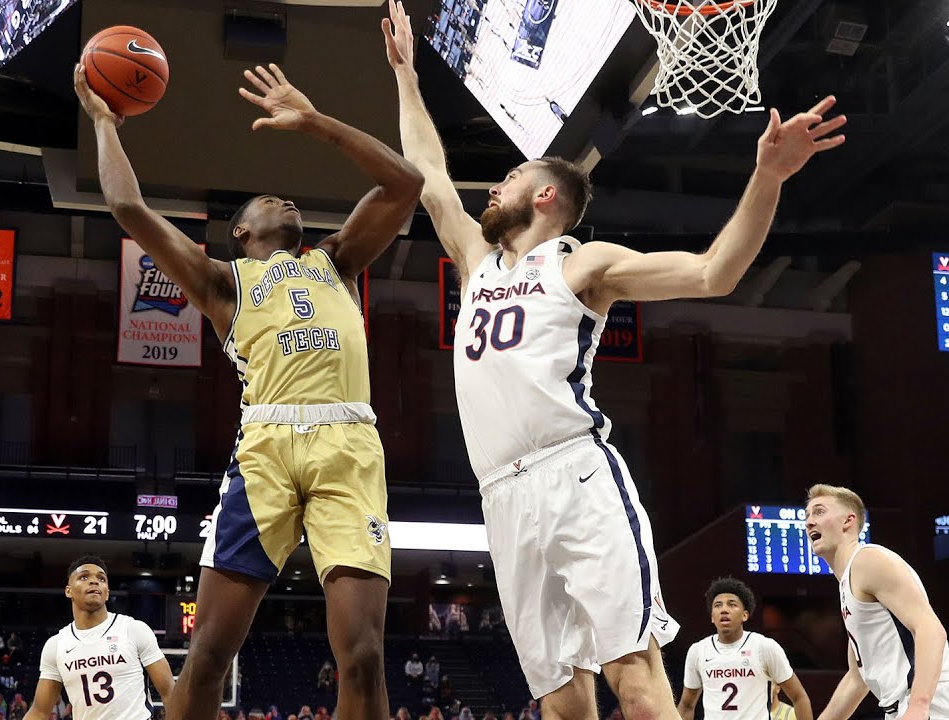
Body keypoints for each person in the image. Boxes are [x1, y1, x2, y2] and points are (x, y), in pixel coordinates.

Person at [381, 0, 846, 716]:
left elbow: (712, 273)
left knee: (632, 667)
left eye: (506, 179)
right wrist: (407, 79)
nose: (492, 188)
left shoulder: (580, 262)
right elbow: (430, 174)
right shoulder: (476, 263)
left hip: (574, 474)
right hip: (501, 497)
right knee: (562, 696)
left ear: (543, 196)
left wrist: (769, 179)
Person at [72, 44, 423, 720]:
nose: (285, 198)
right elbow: (126, 206)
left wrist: (317, 122)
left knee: (366, 657)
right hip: (263, 452)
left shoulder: (338, 261)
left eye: (286, 196)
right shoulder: (221, 282)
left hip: (348, 445)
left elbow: (404, 184)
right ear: (241, 231)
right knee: (205, 658)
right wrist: (104, 122)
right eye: (268, 200)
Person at [807, 485, 949, 720]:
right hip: (901, 706)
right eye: (808, 515)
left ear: (848, 521)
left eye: (819, 512)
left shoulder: (867, 560)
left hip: (931, 699)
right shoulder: (848, 583)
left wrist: (919, 706)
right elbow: (857, 678)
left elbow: (930, 628)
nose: (810, 522)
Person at [22, 556, 176, 720]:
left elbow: (170, 692)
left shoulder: (133, 629)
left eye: (101, 578)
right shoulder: (56, 645)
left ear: (107, 593)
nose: (94, 581)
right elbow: (39, 711)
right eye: (84, 577)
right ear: (68, 591)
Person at [676, 578, 813, 720]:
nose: (724, 610)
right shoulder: (698, 650)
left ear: (745, 615)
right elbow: (686, 706)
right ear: (712, 617)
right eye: (718, 605)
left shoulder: (764, 647)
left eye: (732, 604)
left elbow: (799, 697)